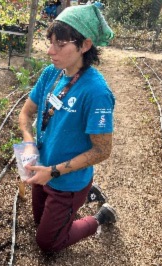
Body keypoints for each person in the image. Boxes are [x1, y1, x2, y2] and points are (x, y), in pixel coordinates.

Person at [18, 4, 117, 253]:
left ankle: (99, 217)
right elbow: (26, 113)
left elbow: (102, 150)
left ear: (84, 45)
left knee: (48, 243)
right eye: (50, 42)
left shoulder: (97, 93)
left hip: (66, 178)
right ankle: (83, 196)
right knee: (39, 222)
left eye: (60, 44)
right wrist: (29, 141)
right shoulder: (52, 73)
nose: (50, 51)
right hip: (44, 167)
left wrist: (53, 172)